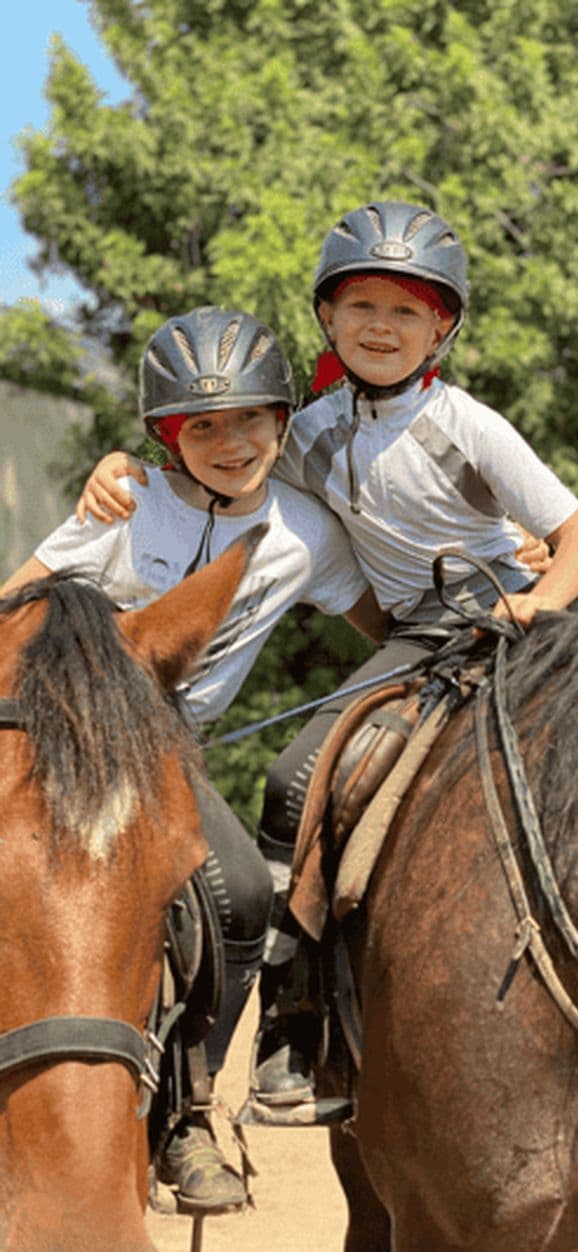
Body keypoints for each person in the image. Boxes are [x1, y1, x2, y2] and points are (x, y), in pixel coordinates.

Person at [76, 201, 578, 1124]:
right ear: (327, 317)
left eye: (406, 311)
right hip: (417, 632)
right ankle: (296, 1023)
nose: (380, 327)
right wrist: (123, 460)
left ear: (443, 326)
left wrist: (535, 600)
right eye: (361, 306)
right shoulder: (308, 432)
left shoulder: (470, 425)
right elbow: (218, 462)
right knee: (293, 783)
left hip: (518, 622)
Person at [1, 305, 386, 1197]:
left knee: (246, 891)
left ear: (282, 424)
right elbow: (18, 600)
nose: (229, 440)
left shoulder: (307, 533)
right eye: (202, 424)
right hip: (74, 745)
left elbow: (380, 620)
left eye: (250, 417)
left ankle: (185, 1111)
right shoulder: (127, 500)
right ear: (166, 436)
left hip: (170, 750)